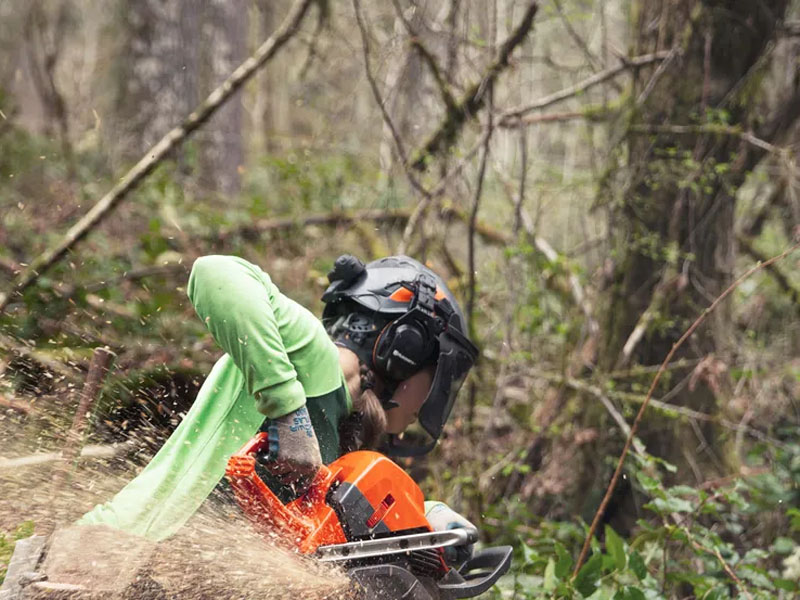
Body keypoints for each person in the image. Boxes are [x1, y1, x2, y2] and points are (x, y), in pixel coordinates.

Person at [78, 253, 478, 544]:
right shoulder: (312, 357)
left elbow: (341, 504)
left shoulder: (342, 425)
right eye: (437, 376)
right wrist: (288, 410)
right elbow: (214, 273)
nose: (431, 399)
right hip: (116, 552)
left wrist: (427, 521)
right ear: (405, 351)